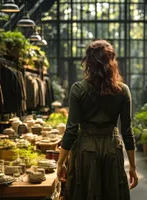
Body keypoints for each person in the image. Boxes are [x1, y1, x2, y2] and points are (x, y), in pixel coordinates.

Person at [57, 39, 138, 200]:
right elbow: (127, 131)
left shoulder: (78, 89)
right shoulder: (123, 91)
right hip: (112, 149)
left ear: (88, 63)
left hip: (85, 150)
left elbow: (71, 130)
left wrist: (61, 162)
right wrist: (133, 167)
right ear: (112, 62)